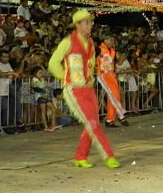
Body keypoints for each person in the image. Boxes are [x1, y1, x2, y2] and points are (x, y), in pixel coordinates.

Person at [48, 9, 120, 169]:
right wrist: (66, 77)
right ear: (78, 25)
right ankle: (109, 156)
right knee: (93, 123)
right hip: (74, 89)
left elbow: (92, 64)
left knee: (92, 123)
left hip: (88, 88)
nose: (90, 25)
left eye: (90, 22)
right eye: (86, 22)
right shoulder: (67, 42)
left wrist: (90, 76)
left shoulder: (90, 44)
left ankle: (80, 157)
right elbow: (53, 63)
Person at [98, 36, 128, 128]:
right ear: (105, 40)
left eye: (113, 40)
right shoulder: (99, 50)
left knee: (113, 97)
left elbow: (112, 63)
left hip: (111, 76)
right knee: (114, 96)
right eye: (110, 40)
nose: (112, 42)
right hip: (104, 75)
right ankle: (120, 116)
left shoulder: (111, 50)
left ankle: (110, 120)